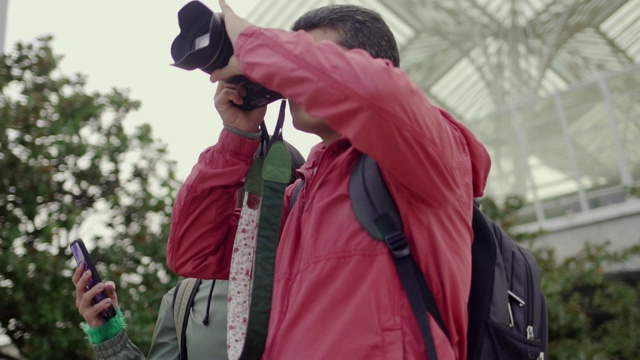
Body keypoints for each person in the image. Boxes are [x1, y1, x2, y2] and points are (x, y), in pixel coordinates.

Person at [166, 1, 491, 359]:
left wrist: (252, 43)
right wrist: (236, 139)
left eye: (312, 59)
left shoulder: (428, 152)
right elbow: (194, 252)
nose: (290, 77)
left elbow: (377, 94)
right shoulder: (298, 196)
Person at [72, 141, 306, 359]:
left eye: (280, 190)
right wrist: (108, 333)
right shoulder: (183, 299)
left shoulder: (320, 277)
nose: (264, 203)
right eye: (250, 187)